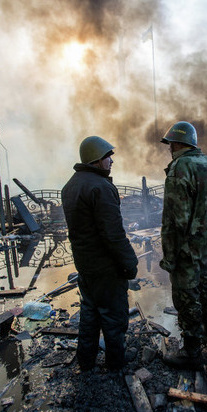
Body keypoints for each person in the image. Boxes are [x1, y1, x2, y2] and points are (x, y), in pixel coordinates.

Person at [61, 136, 139, 372]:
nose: (111, 160)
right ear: (96, 159)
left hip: (85, 265)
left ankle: (86, 362)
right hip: (106, 268)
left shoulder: (71, 185)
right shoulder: (101, 187)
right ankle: (115, 364)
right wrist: (130, 262)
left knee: (90, 313)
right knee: (114, 318)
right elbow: (113, 234)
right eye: (107, 156)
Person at [159, 121, 207, 369]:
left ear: (178, 144)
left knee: (187, 297)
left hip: (188, 248)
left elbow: (177, 219)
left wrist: (170, 256)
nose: (169, 149)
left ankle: (192, 352)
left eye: (170, 144)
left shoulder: (180, 168)